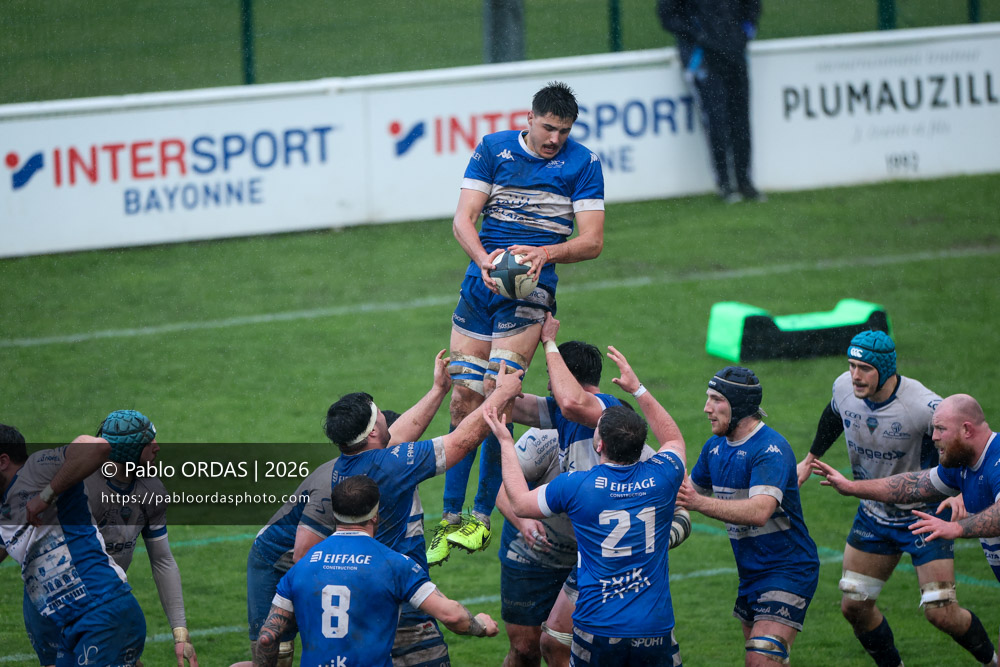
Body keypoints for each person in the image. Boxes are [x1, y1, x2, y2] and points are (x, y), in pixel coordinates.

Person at [432, 80, 606, 567]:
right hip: (480, 281)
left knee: (497, 394)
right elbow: (463, 219)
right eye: (548, 128)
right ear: (528, 119)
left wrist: (546, 252)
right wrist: (485, 261)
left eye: (564, 130)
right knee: (462, 395)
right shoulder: (494, 149)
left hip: (532, 291)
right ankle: (448, 517)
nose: (555, 139)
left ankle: (481, 517)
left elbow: (592, 241)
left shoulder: (584, 163)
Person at [795, 331, 997, 667]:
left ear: (886, 370)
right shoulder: (844, 387)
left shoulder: (921, 405)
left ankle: (992, 661)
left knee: (941, 613)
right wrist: (810, 457)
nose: (855, 375)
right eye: (851, 365)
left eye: (864, 368)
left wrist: (960, 490)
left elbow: (959, 437)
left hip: (924, 516)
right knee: (854, 607)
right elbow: (834, 415)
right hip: (874, 514)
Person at [504, 314, 691, 666]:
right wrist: (502, 355)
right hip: (624, 584)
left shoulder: (609, 412)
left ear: (602, 443)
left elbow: (520, 499)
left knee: (558, 641)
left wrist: (548, 342)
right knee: (554, 642)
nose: (549, 385)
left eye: (553, 377)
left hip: (603, 585)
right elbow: (505, 402)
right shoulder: (565, 415)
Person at [246, 351, 454, 667]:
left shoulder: (376, 456)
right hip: (278, 563)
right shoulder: (329, 487)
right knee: (277, 660)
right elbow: (304, 558)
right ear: (372, 435)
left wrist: (439, 389)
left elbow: (404, 432)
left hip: (317, 554)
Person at [317, 361, 522, 667]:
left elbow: (396, 435)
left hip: (360, 602)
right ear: (373, 431)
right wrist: (500, 395)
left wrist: (439, 390)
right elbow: (461, 441)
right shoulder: (392, 466)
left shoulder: (343, 465)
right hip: (401, 601)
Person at [247, 476, 498, 667]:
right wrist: (481, 626)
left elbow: (268, 637)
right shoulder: (395, 564)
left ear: (334, 513)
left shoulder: (300, 566)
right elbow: (452, 616)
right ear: (375, 515)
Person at [21, 410, 199, 667]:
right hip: (57, 606)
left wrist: (180, 632)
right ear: (128, 451)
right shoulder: (81, 491)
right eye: (149, 443)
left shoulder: (152, 490)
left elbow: (162, 561)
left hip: (104, 604)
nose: (157, 448)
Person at [678, 366, 819, 666]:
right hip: (751, 572)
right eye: (708, 398)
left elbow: (759, 511)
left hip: (788, 569)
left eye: (716, 399)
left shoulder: (771, 449)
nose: (706, 408)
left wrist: (698, 503)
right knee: (769, 661)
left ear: (739, 405)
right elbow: (682, 492)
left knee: (760, 658)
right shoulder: (714, 447)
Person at [0, 426, 147, 667]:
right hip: (71, 626)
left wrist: (46, 495)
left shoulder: (36, 469)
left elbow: (98, 447)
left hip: (101, 608)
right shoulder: (5, 510)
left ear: (3, 461)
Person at [657, 0, 764, 202]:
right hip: (703, 56)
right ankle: (725, 184)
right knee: (716, 119)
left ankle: (745, 182)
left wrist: (743, 32)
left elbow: (752, 8)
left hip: (735, 54)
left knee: (740, 120)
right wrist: (699, 35)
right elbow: (668, 16)